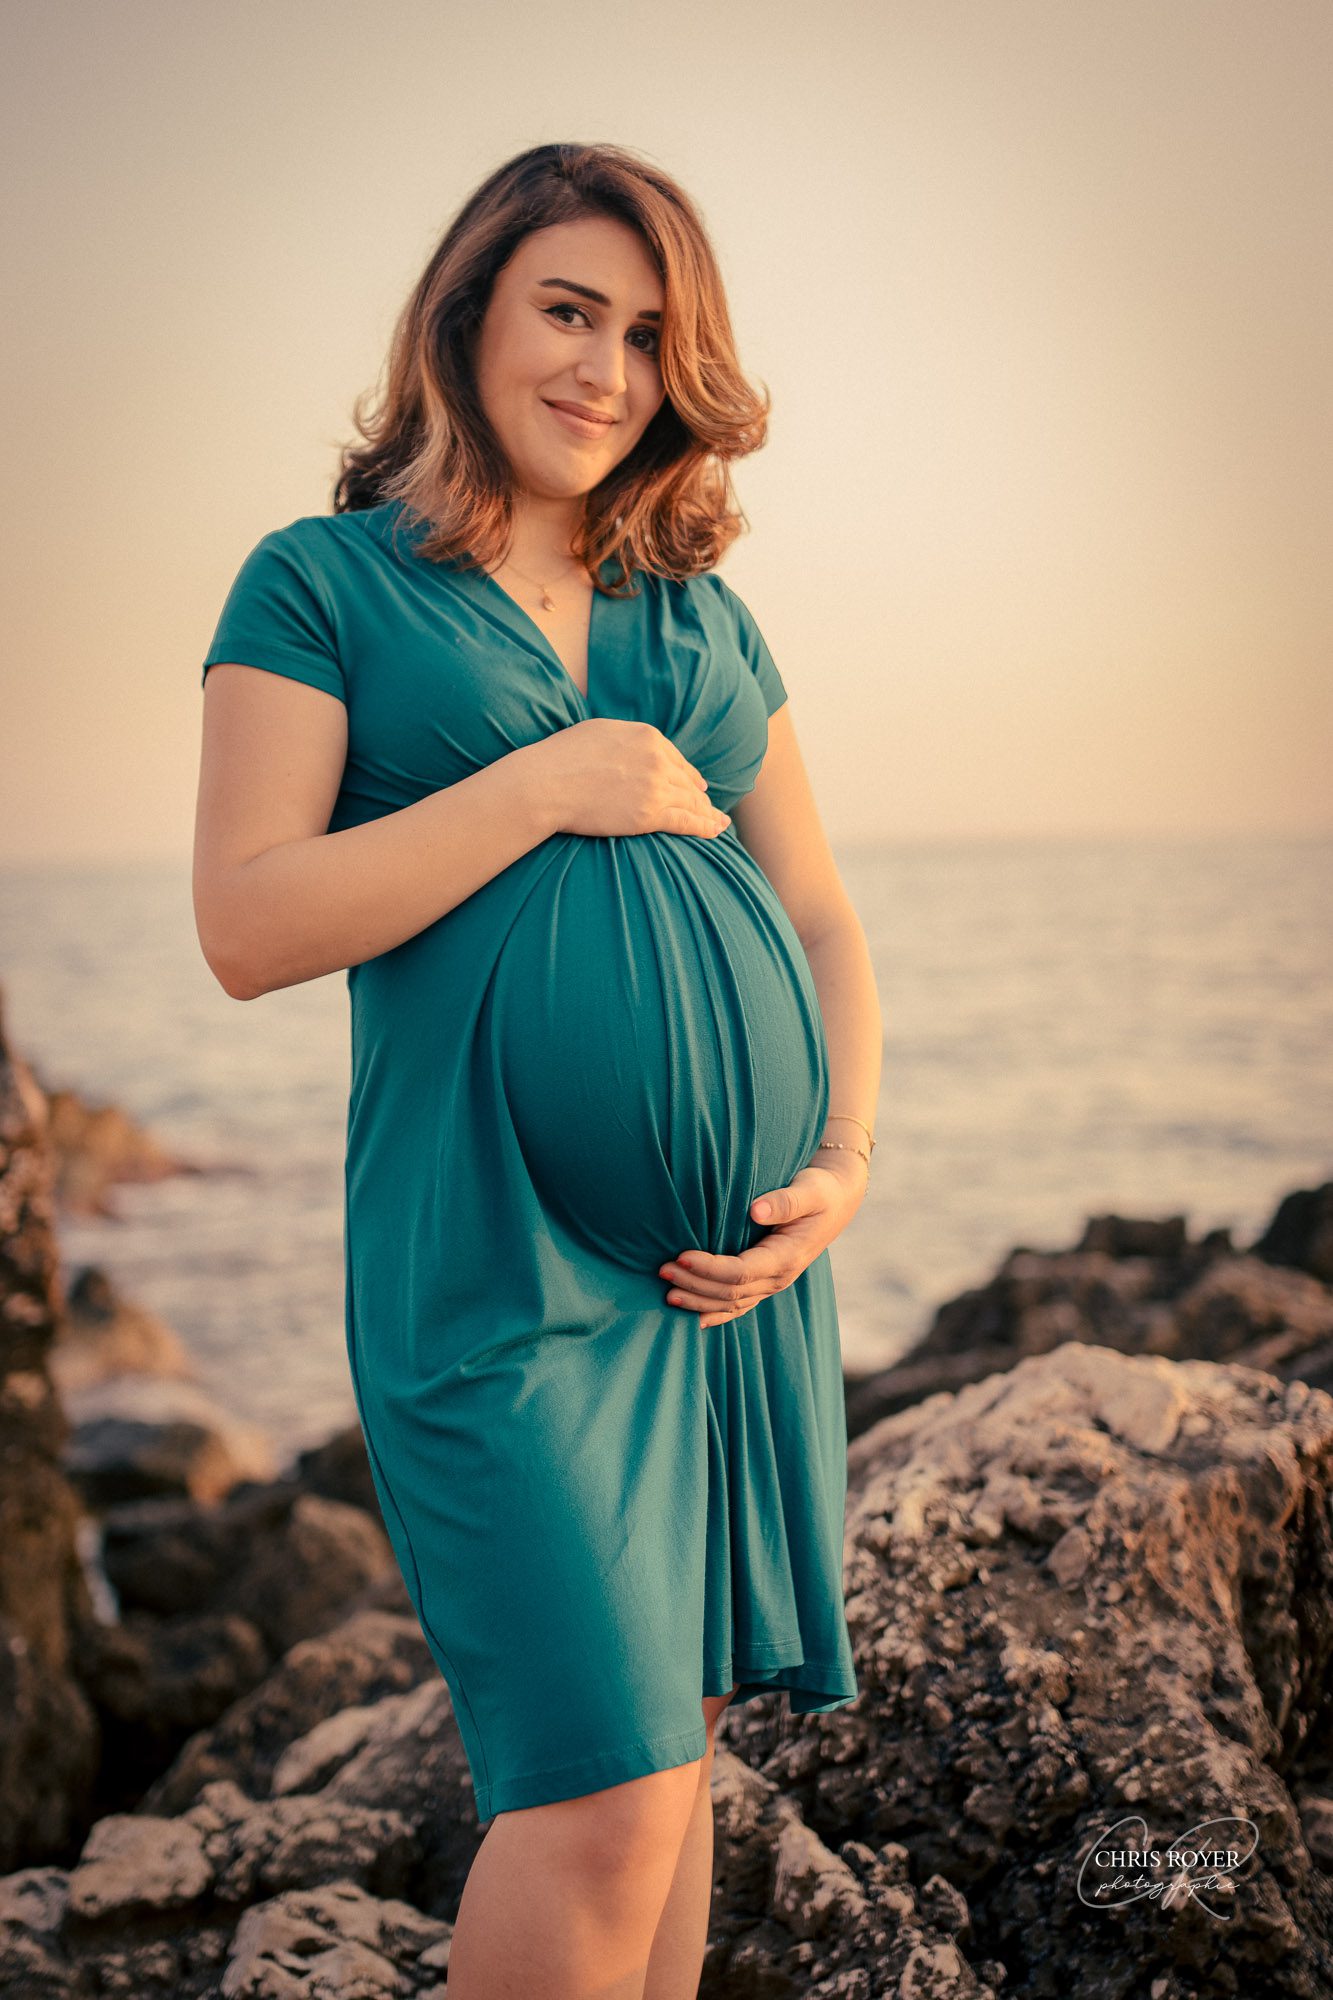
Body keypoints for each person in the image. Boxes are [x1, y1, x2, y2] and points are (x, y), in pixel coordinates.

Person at [192, 141, 883, 2000]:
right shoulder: (323, 585)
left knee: (666, 1797)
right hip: (490, 1274)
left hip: (721, 1293)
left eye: (649, 335)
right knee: (592, 1796)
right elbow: (247, 923)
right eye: (567, 311)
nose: (604, 369)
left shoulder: (700, 615)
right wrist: (541, 787)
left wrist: (845, 1157)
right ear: (468, 313)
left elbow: (814, 912)